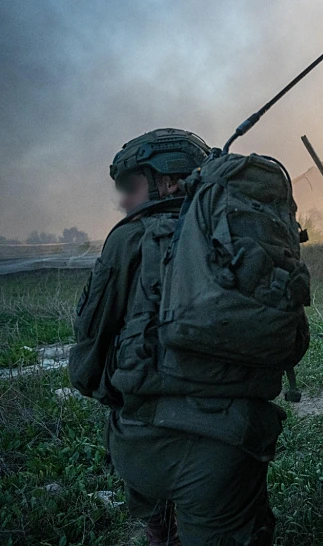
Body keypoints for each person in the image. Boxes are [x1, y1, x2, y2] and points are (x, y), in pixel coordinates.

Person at [69, 128, 280, 545]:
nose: (124, 200)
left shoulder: (129, 238)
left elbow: (87, 361)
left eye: (131, 185)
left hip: (142, 449)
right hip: (232, 444)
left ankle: (160, 527)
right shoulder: (242, 235)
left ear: (168, 180)